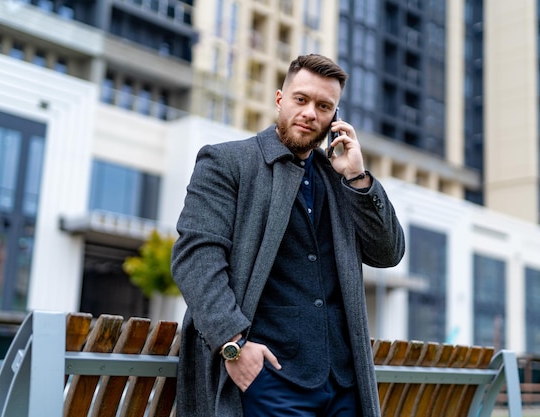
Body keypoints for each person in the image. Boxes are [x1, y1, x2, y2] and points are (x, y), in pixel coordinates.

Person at [171, 54, 405, 417]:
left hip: (344, 383)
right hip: (269, 378)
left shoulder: (341, 177)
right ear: (280, 99)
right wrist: (233, 344)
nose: (311, 112)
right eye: (301, 99)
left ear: (335, 119)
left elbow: (388, 253)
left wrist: (359, 179)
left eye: (323, 105)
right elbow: (196, 257)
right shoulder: (227, 162)